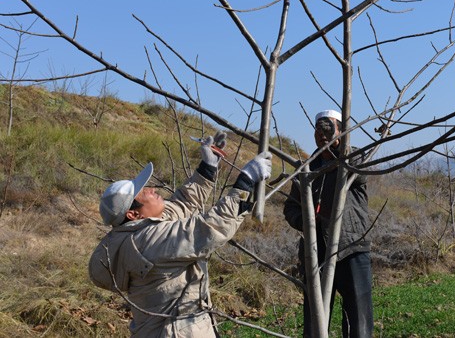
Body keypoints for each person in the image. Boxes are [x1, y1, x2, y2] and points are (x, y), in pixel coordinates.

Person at [89, 130, 272, 338]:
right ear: (132, 214)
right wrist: (244, 183)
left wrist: (208, 168)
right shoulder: (146, 241)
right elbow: (209, 229)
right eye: (142, 192)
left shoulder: (142, 228)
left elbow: (182, 203)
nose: (150, 189)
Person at [283, 110, 373, 338]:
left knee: (359, 323)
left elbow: (360, 172)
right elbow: (290, 207)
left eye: (328, 129)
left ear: (341, 132)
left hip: (351, 249)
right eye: (318, 129)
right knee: (315, 323)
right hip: (317, 254)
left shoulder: (353, 159)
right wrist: (307, 224)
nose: (322, 134)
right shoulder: (306, 169)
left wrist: (339, 149)